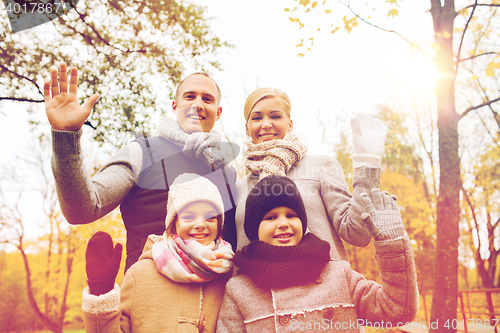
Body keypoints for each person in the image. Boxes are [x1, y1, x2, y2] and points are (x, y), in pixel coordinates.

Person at [44, 63, 237, 271]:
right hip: (149, 293)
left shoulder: (227, 172)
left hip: (214, 299)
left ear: (218, 112)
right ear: (175, 106)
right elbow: (82, 209)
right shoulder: (142, 153)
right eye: (189, 96)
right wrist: (66, 137)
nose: (198, 104)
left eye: (207, 99)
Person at [217, 175, 418, 332]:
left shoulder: (339, 275)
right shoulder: (239, 289)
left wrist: (392, 244)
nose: (284, 223)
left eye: (291, 215)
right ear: (254, 229)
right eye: (270, 218)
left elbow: (396, 310)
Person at [222, 87, 388, 260]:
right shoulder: (237, 188)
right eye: (257, 118)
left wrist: (367, 164)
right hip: (259, 286)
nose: (266, 124)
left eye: (275, 116)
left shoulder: (320, 166)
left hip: (325, 283)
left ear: (290, 124)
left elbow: (357, 234)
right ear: (247, 128)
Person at [83, 173, 234, 333]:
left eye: (210, 217)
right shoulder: (139, 275)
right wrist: (101, 292)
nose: (200, 224)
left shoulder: (230, 274)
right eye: (188, 217)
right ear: (173, 224)